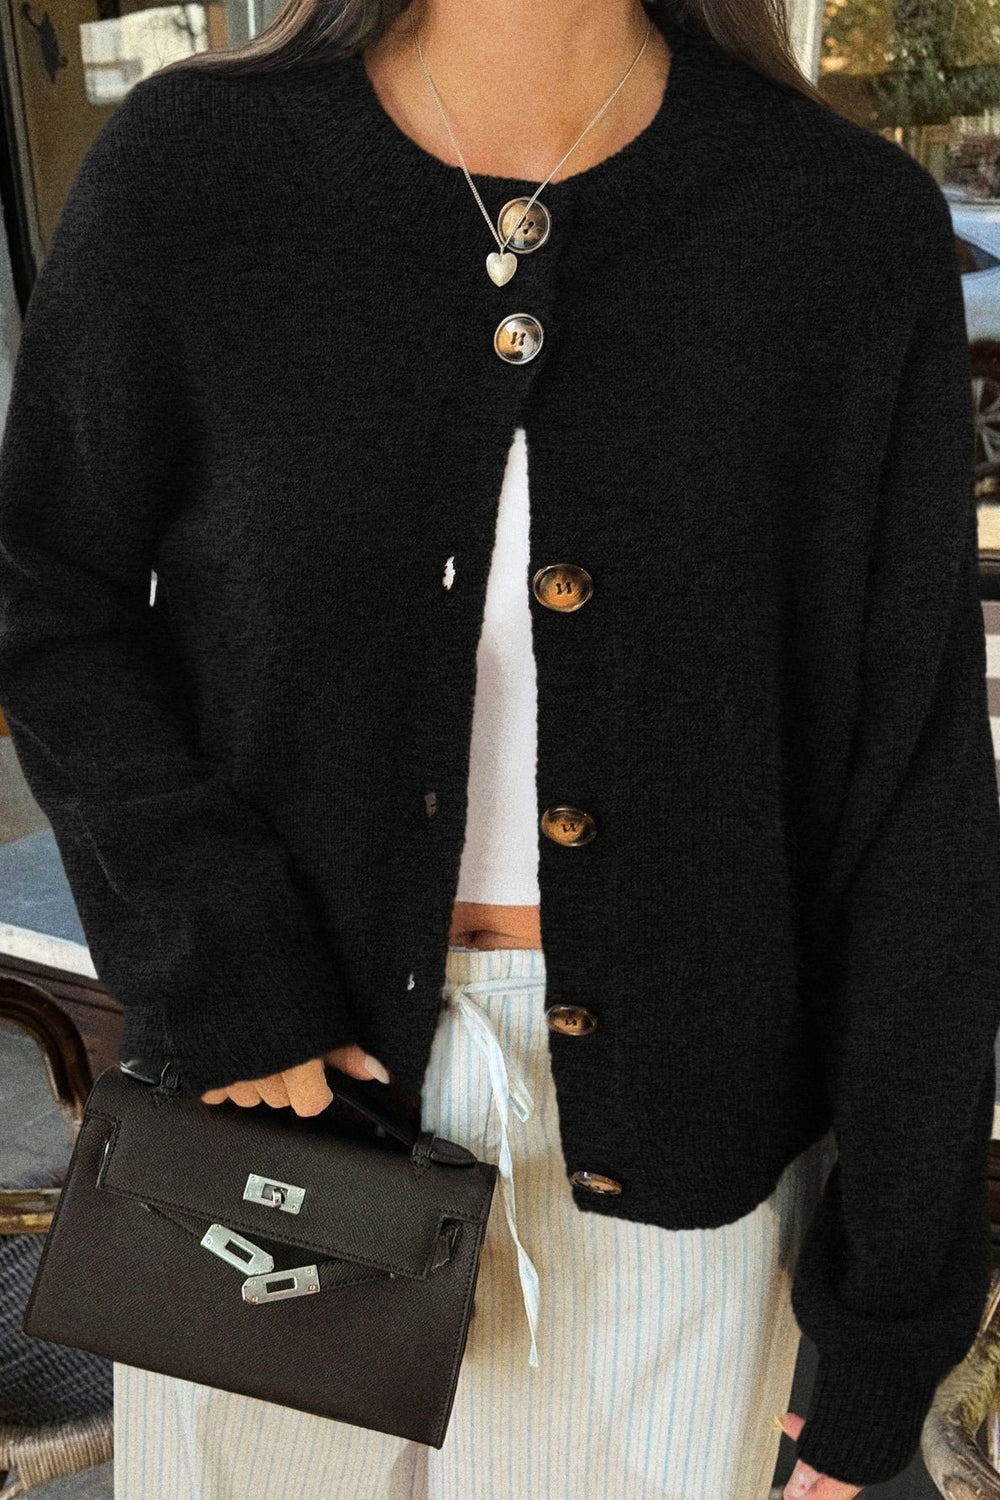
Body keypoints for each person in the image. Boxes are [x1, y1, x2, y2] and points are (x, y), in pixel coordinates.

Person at [1, 0, 998, 1495]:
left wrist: (895, 1306)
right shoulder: (197, 173)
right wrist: (221, 961)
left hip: (685, 1148)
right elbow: (46, 594)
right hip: (268, 1107)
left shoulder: (839, 229)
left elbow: (916, 795)